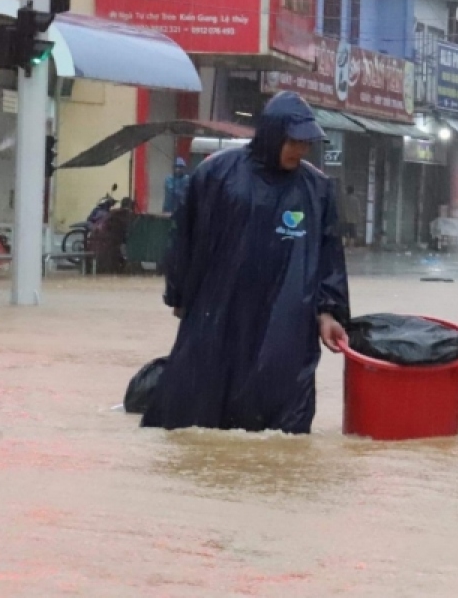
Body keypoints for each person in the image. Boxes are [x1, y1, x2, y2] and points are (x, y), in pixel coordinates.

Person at [142, 92, 350, 433]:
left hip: (287, 320)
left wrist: (329, 312)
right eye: (294, 142)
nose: (300, 151)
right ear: (272, 134)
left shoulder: (317, 189)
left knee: (283, 419)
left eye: (307, 144)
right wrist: (179, 295)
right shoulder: (216, 175)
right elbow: (184, 238)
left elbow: (330, 257)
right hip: (221, 311)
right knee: (202, 406)